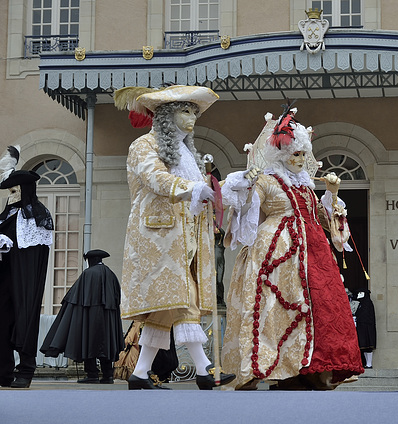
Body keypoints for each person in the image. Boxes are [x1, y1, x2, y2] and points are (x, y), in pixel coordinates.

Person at [221, 105, 364, 390]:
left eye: (302, 154)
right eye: (294, 154)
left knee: (320, 308)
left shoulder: (306, 187)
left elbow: (326, 221)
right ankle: (277, 367)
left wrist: (332, 196)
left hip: (314, 254)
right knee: (275, 309)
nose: (299, 160)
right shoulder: (266, 180)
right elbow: (246, 209)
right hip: (277, 251)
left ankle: (309, 370)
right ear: (282, 155)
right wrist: (243, 188)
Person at [115, 84, 234, 390]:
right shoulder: (143, 146)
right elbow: (157, 179)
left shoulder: (186, 153)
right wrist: (195, 189)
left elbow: (195, 192)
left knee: (164, 309)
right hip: (158, 236)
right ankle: (206, 370)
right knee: (185, 297)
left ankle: (140, 374)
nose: (191, 116)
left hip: (186, 236)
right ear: (166, 115)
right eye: (185, 110)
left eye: (194, 110)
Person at [0, 152, 54, 389]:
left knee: (24, 319)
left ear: (25, 189)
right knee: (2, 321)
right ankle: (3, 372)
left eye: (14, 191)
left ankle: (26, 370)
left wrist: (13, 247)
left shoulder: (38, 215)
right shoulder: (6, 216)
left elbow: (35, 255)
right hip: (4, 279)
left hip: (24, 280)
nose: (10, 197)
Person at [40, 249, 125, 384]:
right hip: (108, 318)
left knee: (89, 342)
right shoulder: (111, 274)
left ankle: (92, 375)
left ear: (91, 260)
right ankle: (108, 375)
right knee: (106, 343)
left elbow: (74, 297)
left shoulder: (88, 273)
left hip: (90, 317)